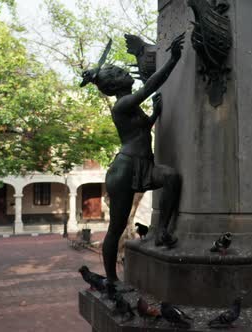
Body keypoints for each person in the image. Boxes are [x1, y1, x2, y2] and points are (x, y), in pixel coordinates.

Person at [80, 33, 185, 282]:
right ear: (115, 86)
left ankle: (161, 232)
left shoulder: (130, 106)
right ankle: (111, 280)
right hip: (125, 170)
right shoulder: (122, 104)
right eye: (118, 73)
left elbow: (139, 132)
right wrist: (172, 60)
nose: (125, 73)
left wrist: (155, 115)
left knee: (170, 177)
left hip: (142, 164)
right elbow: (150, 87)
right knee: (116, 228)